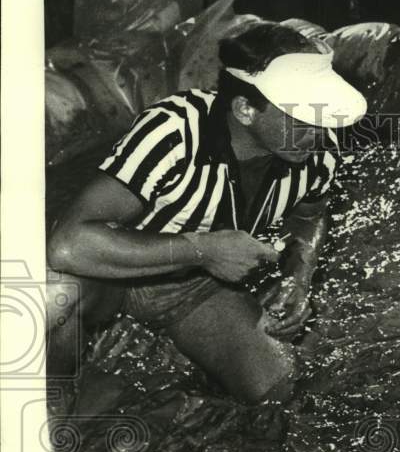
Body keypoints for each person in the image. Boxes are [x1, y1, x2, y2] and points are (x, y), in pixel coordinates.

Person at [46, 23, 367, 404]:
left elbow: (309, 216)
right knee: (57, 297)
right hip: (116, 270)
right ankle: (49, 407)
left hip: (193, 287)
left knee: (281, 391)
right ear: (246, 109)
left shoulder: (317, 154)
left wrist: (297, 277)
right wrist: (203, 250)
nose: (318, 130)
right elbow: (68, 245)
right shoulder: (176, 129)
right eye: (300, 118)